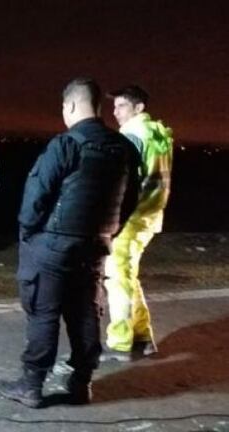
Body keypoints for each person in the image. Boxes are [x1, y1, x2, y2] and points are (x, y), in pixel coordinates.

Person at [0, 78, 140, 408]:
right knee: (85, 311)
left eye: (64, 108)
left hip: (53, 245)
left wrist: (29, 233)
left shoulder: (67, 144)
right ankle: (81, 384)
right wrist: (109, 232)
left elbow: (35, 198)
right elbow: (130, 199)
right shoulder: (124, 149)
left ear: (71, 106)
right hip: (95, 245)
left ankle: (32, 385)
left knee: (44, 312)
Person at [102, 85, 174, 361]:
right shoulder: (158, 133)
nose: (115, 112)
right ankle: (143, 337)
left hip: (131, 217)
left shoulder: (133, 135)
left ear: (138, 108)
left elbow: (122, 180)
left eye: (121, 106)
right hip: (152, 215)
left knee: (117, 278)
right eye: (115, 106)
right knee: (128, 275)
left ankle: (120, 342)